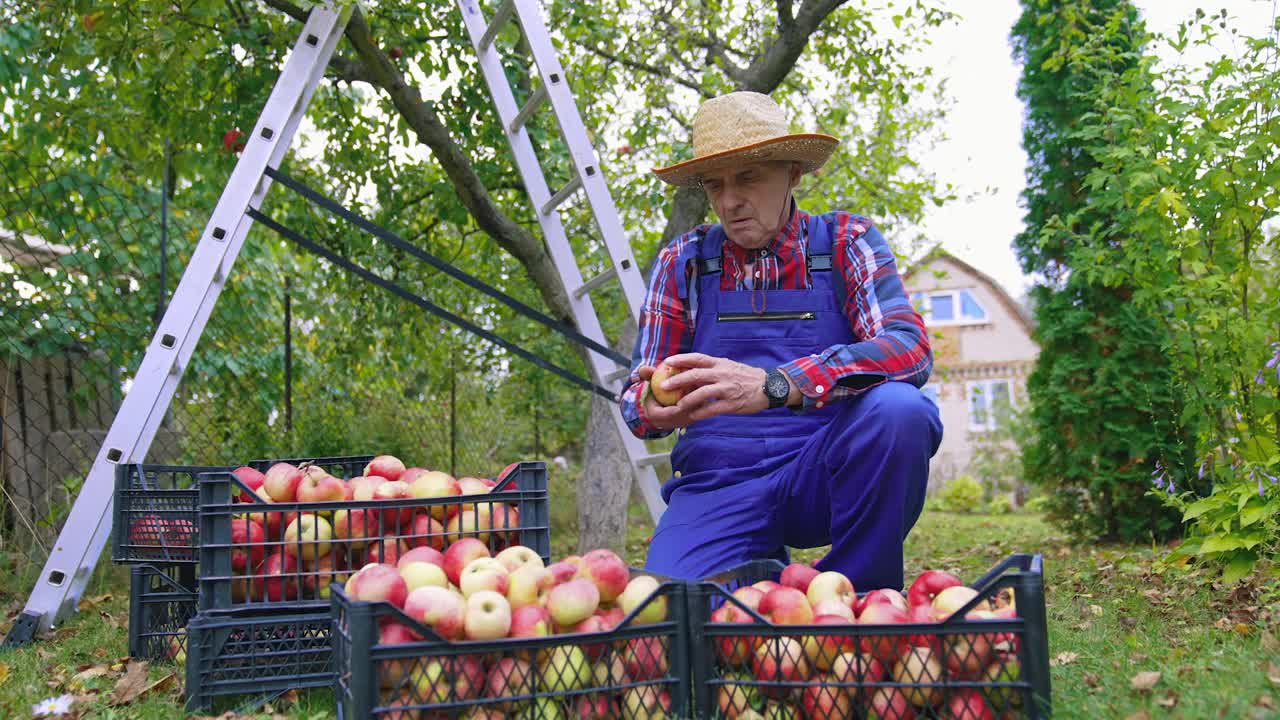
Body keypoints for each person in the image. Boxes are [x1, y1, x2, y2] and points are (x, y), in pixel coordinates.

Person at [620, 91, 943, 591]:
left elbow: (908, 347)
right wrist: (650, 405)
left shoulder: (846, 243)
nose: (729, 201)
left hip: (822, 471)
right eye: (715, 185)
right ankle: (756, 580)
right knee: (677, 617)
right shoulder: (681, 262)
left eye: (747, 177)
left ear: (793, 172)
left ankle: (858, 595)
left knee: (900, 411)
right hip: (718, 484)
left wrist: (777, 384)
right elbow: (636, 402)